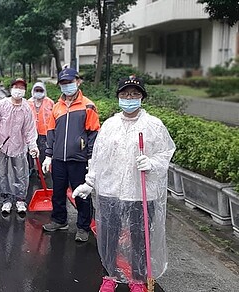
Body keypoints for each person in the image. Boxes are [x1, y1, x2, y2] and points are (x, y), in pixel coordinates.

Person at [72, 76, 175, 292]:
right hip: (110, 191)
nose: (129, 98)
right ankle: (109, 275)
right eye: (125, 94)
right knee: (109, 236)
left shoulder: (153, 126)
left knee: (140, 239)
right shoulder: (110, 126)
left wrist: (152, 162)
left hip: (140, 192)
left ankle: (138, 280)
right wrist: (89, 183)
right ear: (118, 97)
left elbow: (166, 152)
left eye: (135, 94)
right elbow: (98, 158)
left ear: (142, 98)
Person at [41, 68, 100, 242]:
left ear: (78, 81)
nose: (67, 86)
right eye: (63, 83)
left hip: (78, 159)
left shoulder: (88, 106)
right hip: (59, 158)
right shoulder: (56, 107)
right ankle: (59, 220)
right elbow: (51, 131)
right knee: (58, 192)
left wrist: (90, 156)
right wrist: (49, 155)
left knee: (81, 194)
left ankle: (83, 226)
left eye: (70, 82)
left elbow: (94, 133)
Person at [0, 78, 38, 216]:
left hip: (19, 146)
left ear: (25, 91)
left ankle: (20, 199)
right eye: (16, 87)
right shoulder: (1, 105)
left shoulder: (26, 108)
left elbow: (29, 129)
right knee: (2, 174)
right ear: (11, 89)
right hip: (2, 146)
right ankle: (6, 199)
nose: (18, 90)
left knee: (20, 173)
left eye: (22, 88)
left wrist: (32, 145)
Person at [27, 81, 54, 173]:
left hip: (44, 132)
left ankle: (42, 170)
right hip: (31, 132)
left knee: (43, 151)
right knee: (30, 151)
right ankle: (30, 168)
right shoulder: (28, 103)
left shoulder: (50, 102)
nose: (38, 92)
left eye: (40, 90)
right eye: (36, 90)